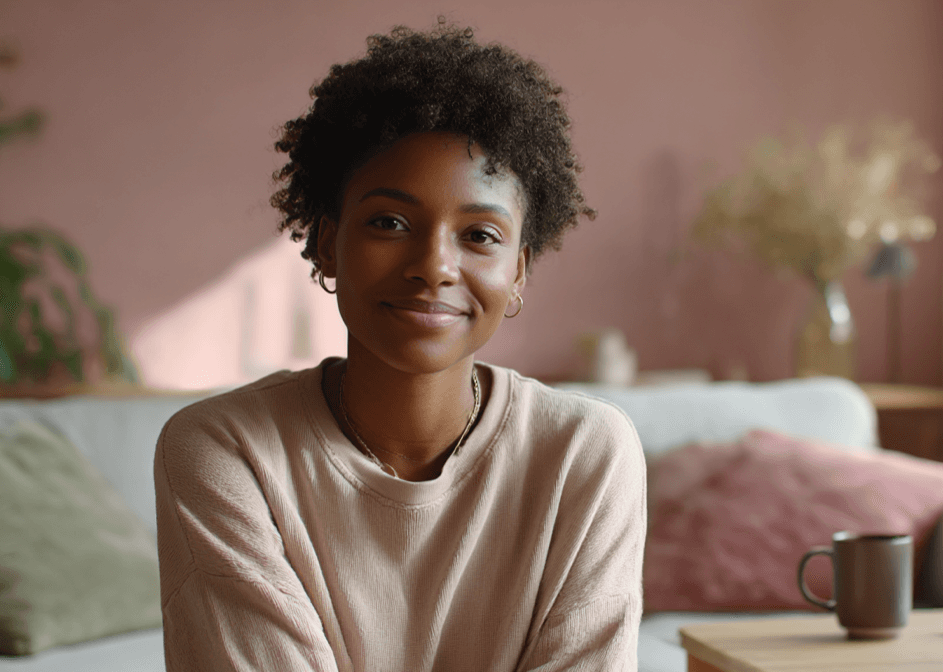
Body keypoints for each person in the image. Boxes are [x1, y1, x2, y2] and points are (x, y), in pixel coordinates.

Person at [153, 21, 646, 672]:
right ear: (329, 243)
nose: (434, 265)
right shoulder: (225, 451)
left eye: (480, 235)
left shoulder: (585, 454)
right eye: (390, 223)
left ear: (518, 272)